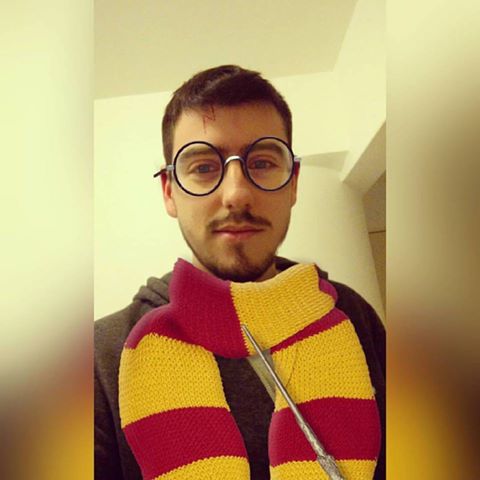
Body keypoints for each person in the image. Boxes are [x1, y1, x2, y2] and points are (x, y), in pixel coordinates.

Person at [95, 65, 385, 480]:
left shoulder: (351, 315)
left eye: (263, 162)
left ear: (293, 184)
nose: (236, 193)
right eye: (203, 168)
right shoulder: (102, 355)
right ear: (169, 191)